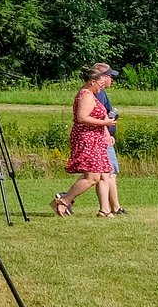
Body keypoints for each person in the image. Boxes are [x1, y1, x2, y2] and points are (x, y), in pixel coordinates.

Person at [53, 63, 117, 216]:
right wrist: (105, 123)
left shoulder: (92, 94)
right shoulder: (86, 95)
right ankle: (63, 201)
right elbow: (82, 118)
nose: (102, 87)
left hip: (96, 139)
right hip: (87, 138)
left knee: (101, 174)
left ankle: (104, 210)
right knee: (92, 177)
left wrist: (106, 132)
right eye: (100, 84)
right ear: (92, 81)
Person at [99, 67, 126, 215]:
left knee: (105, 174)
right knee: (104, 173)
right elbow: (100, 117)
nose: (111, 79)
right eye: (109, 76)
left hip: (106, 136)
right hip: (103, 138)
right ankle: (65, 199)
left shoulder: (101, 93)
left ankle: (114, 207)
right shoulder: (96, 94)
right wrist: (106, 133)